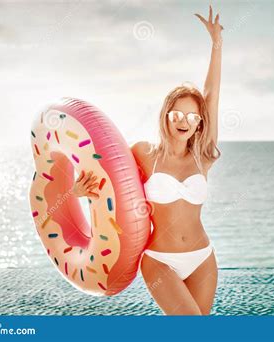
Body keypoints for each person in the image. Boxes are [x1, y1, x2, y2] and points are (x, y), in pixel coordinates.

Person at [73, 5, 223, 315]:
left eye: (192, 116)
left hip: (203, 258)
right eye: (177, 114)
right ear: (166, 116)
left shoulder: (202, 157)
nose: (184, 121)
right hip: (160, 260)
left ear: (199, 123)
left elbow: (211, 95)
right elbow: (107, 180)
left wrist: (216, 45)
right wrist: (80, 192)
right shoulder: (144, 153)